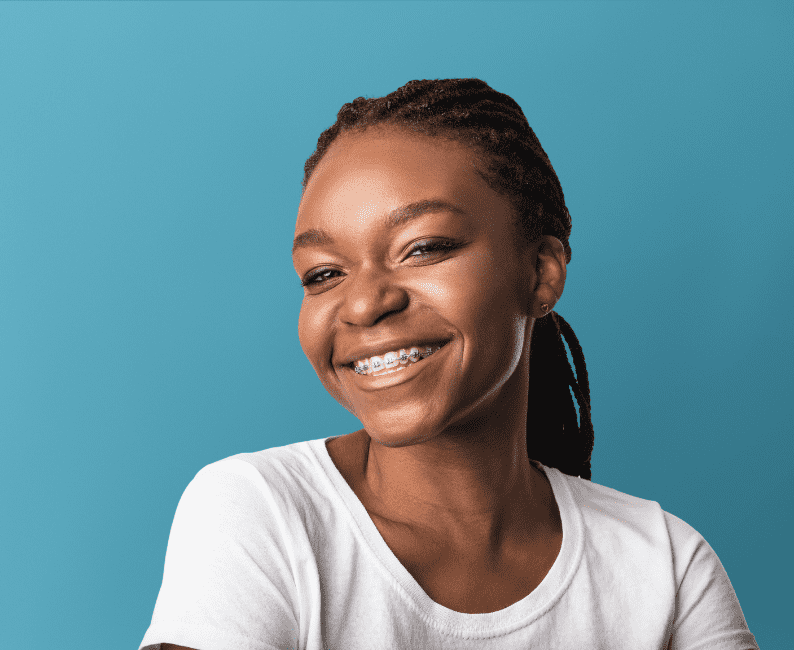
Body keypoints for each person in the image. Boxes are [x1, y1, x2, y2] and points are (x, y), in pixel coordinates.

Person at [139, 79, 757, 650]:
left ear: (541, 272)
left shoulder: (665, 566)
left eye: (424, 248)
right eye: (323, 273)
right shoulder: (261, 512)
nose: (363, 302)